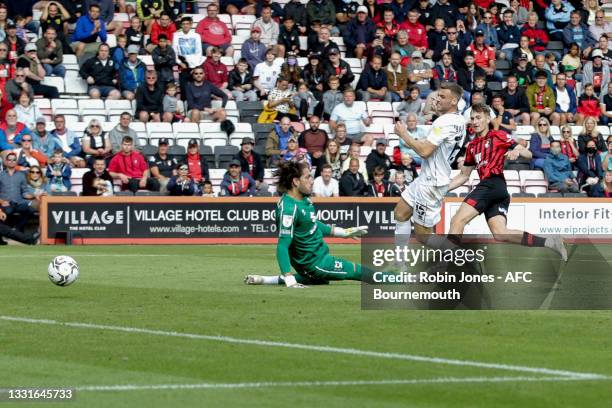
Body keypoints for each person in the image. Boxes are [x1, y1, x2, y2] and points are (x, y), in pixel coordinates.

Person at [447, 103, 566, 259]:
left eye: (478, 117)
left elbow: (528, 154)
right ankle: (549, 242)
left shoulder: (498, 136)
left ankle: (445, 265)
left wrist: (516, 150)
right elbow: (463, 176)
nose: (475, 121)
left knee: (457, 220)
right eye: (472, 118)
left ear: (488, 118)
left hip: (492, 183)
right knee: (501, 234)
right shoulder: (471, 147)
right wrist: (442, 189)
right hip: (497, 190)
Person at [245, 160, 369, 287]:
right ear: (296, 181)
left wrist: (343, 232)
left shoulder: (304, 200)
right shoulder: (288, 209)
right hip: (316, 264)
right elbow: (283, 245)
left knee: (320, 281)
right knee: (359, 271)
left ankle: (265, 280)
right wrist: (289, 278)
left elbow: (312, 224)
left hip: (316, 260)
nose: (312, 180)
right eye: (307, 177)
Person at [392, 82, 466, 247]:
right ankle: (399, 264)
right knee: (400, 213)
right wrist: (439, 112)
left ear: (453, 101)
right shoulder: (459, 119)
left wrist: (404, 134)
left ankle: (466, 257)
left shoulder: (443, 122)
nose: (437, 99)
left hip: (431, 184)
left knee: (423, 237)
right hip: (426, 178)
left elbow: (425, 151)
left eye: (442, 96)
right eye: (438, 95)